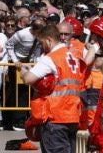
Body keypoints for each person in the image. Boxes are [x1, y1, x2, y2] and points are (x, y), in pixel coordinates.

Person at [21, 21, 85, 153]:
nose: (42, 46)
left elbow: (28, 79)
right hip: (72, 115)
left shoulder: (51, 58)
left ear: (49, 40)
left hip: (55, 116)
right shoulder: (71, 55)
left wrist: (24, 71)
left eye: (42, 42)